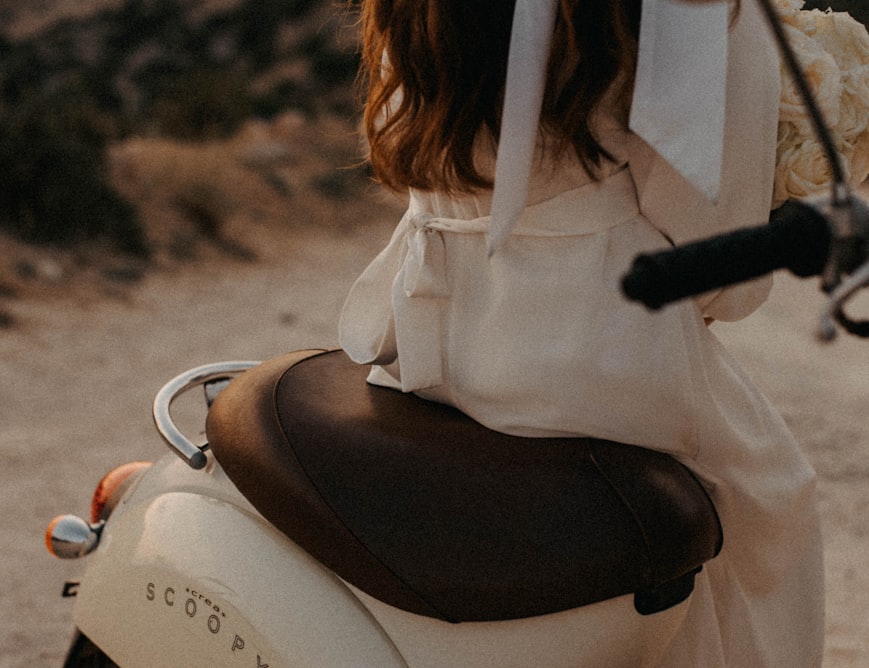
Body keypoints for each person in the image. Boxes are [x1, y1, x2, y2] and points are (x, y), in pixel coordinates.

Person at [339, 0, 825, 665]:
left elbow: (402, 148)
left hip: (430, 337)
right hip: (599, 366)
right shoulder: (690, 8)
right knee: (770, 503)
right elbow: (719, 256)